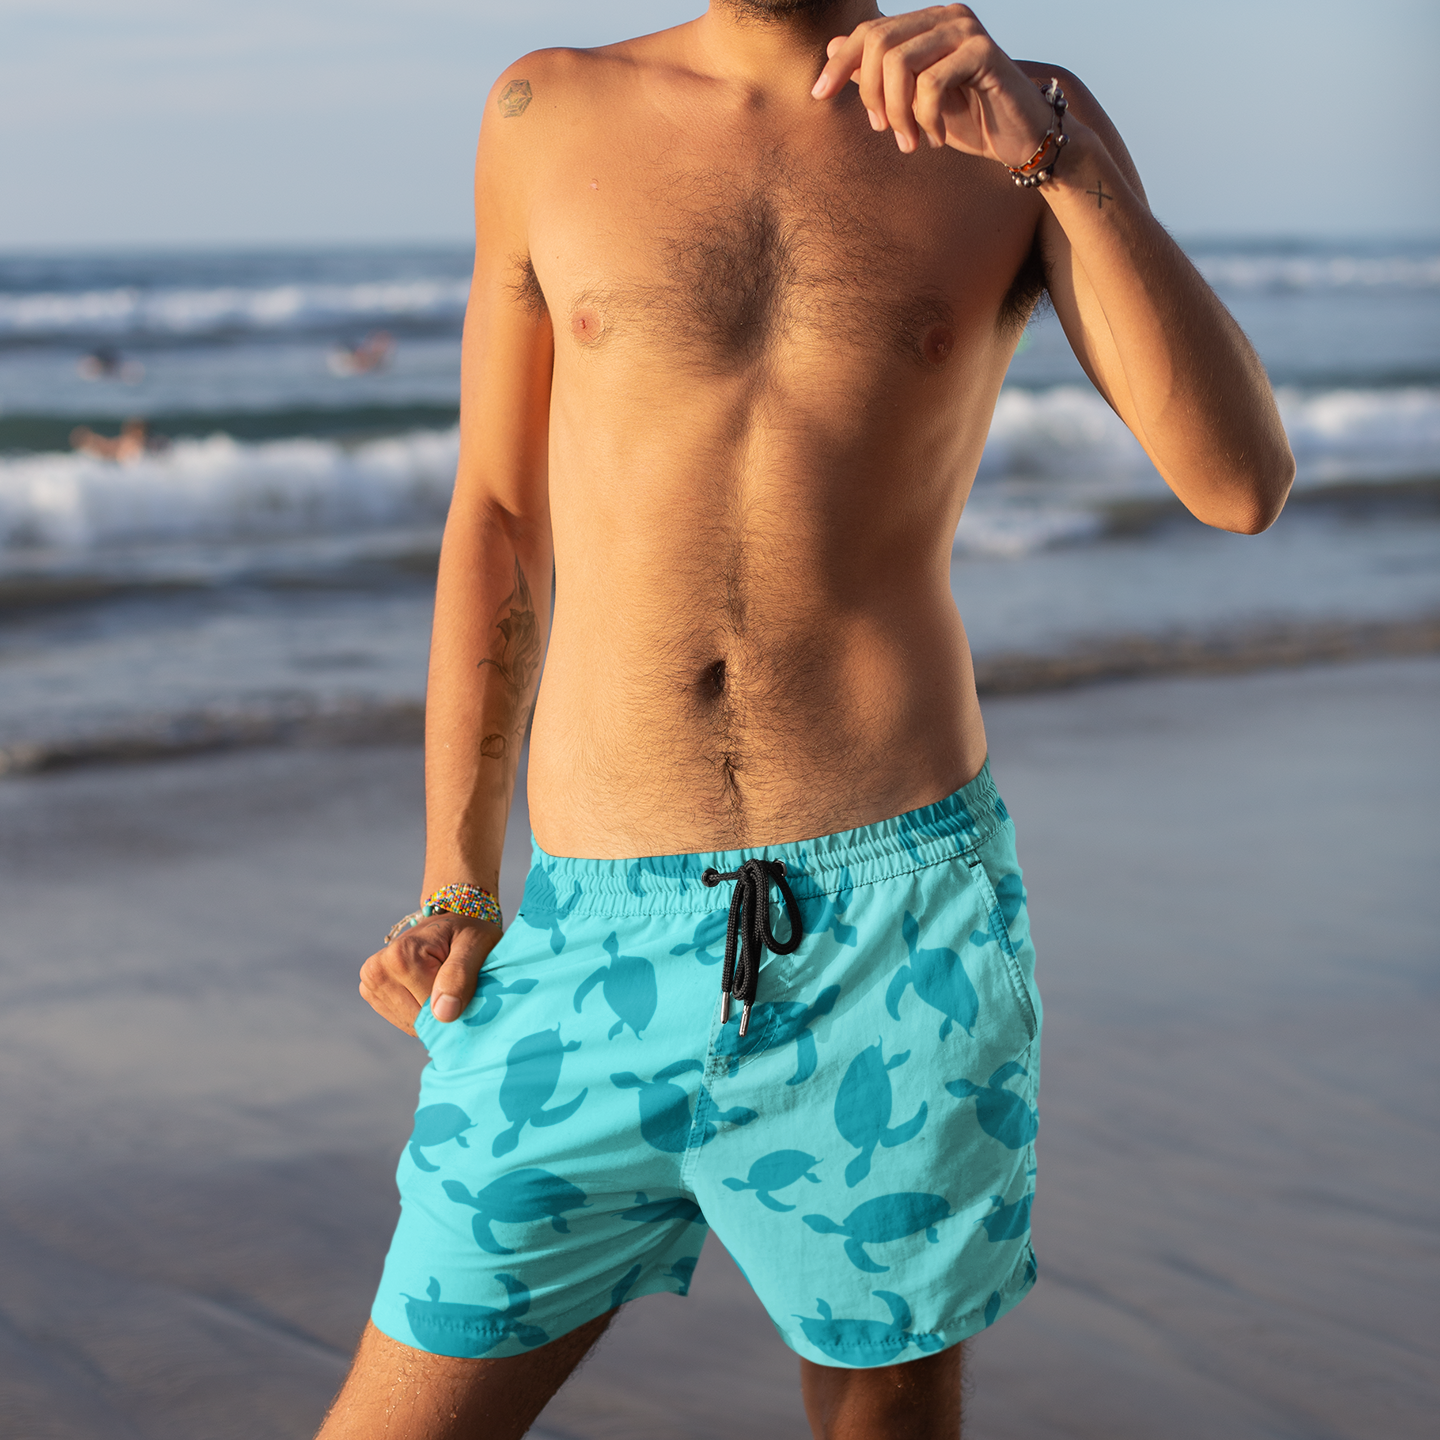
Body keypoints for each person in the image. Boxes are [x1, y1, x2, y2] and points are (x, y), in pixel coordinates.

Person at [320, 5, 1293, 1437]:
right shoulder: (545, 112)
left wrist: (1064, 163)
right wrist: (460, 875)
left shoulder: (1020, 124)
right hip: (592, 934)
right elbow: (505, 511)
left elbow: (1239, 481)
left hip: (895, 929)